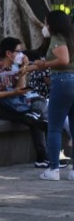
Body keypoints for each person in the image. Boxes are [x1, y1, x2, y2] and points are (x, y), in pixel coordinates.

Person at [0, 37, 49, 168]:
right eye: (18, 51)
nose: (21, 54)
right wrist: (13, 93)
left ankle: (34, 115)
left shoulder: (14, 66)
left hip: (15, 103)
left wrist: (23, 69)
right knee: (32, 119)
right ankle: (43, 156)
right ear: (8, 53)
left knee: (38, 104)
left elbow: (20, 88)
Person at [27, 11, 74, 181]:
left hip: (62, 82)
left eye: (46, 23)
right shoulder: (71, 37)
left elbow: (63, 60)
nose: (45, 27)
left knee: (54, 127)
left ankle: (53, 169)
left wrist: (45, 64)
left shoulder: (58, 38)